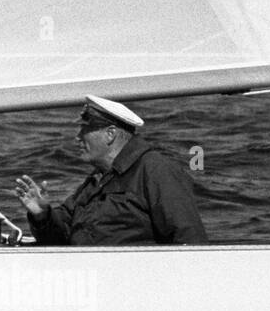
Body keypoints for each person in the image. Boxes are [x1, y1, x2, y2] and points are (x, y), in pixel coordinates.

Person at [13, 95, 207, 246]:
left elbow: (189, 237)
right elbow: (60, 237)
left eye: (85, 130)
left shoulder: (156, 170)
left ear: (110, 134)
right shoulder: (96, 181)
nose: (78, 137)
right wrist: (42, 215)